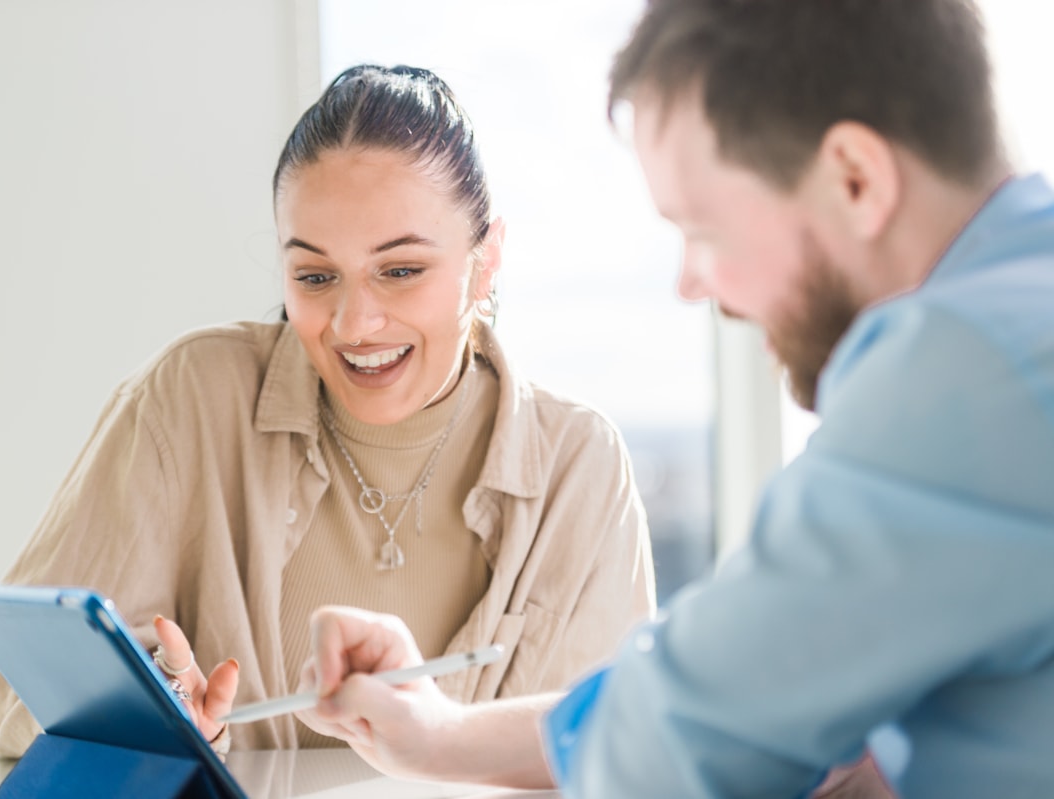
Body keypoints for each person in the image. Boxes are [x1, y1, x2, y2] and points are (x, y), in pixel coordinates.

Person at [288, 1, 1054, 796]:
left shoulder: (958, 378)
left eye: (706, 230)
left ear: (854, 179)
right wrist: (438, 730)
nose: (692, 284)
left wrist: (440, 737)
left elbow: (689, 729)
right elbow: (755, 694)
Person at [0, 64, 656, 758]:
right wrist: (144, 718)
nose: (354, 324)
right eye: (316, 277)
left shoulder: (581, 468)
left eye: (401, 269)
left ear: (487, 259)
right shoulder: (190, 401)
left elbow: (629, 753)